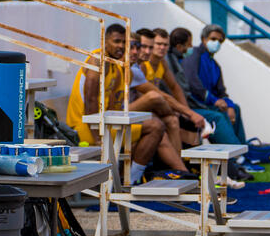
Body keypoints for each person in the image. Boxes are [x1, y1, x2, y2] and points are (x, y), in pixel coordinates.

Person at [65, 24, 190, 183]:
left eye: (124, 42)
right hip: (83, 128)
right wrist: (99, 138)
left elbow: (114, 107)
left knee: (157, 126)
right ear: (105, 41)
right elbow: (91, 100)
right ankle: (130, 181)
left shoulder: (119, 68)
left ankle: (132, 180)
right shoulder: (97, 60)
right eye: (117, 41)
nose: (121, 46)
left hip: (104, 125)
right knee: (155, 125)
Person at [181, 24, 247, 145]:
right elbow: (192, 82)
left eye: (220, 41)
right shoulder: (193, 55)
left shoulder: (215, 65)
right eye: (213, 39)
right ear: (203, 39)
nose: (216, 43)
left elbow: (222, 91)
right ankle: (236, 157)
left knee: (235, 109)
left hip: (208, 106)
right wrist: (214, 101)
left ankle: (244, 152)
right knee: (218, 116)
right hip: (193, 106)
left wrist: (229, 105)